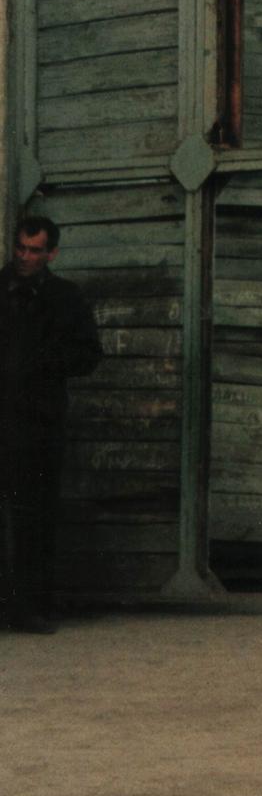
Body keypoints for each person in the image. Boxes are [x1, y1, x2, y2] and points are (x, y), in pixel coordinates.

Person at [1, 216, 102, 634]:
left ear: (52, 253)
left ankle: (30, 609)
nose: (25, 257)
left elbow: (89, 355)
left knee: (35, 518)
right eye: (21, 248)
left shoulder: (66, 298)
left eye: (35, 250)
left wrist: (43, 364)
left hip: (38, 424)